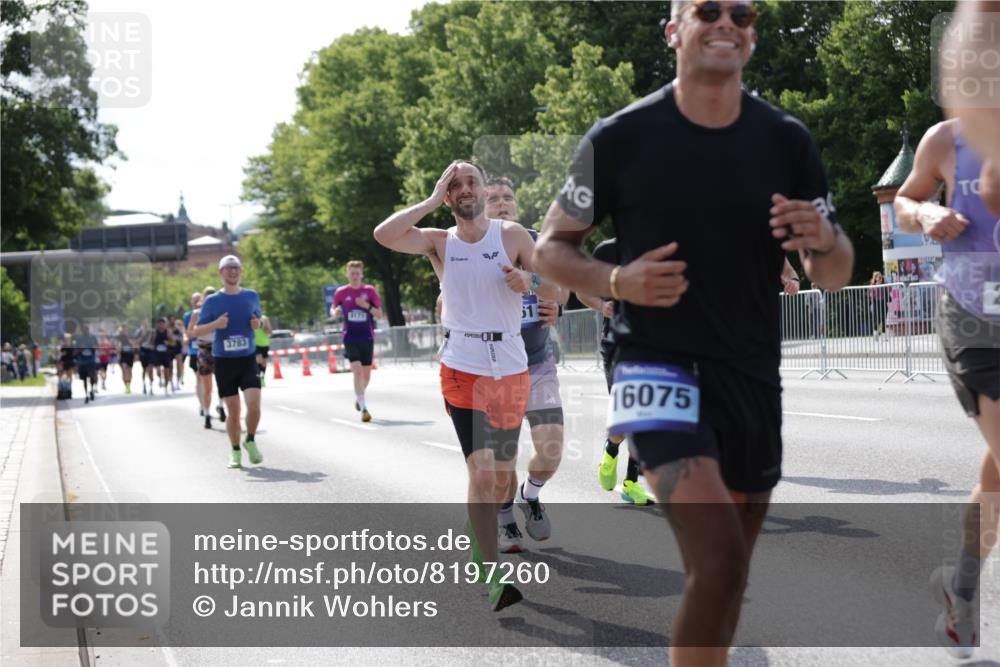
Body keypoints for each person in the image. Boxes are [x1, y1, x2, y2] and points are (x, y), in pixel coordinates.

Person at [532, 2, 854, 664]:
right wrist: (617, 280)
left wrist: (826, 240)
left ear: (752, 34)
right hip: (655, 366)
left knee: (728, 576)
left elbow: (832, 276)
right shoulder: (618, 137)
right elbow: (550, 249)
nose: (727, 21)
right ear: (674, 30)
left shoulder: (786, 140)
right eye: (707, 9)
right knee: (719, 559)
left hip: (750, 373)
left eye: (742, 12)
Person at [374, 160, 557, 610]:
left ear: (483, 187)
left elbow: (554, 284)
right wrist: (430, 199)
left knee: (500, 477)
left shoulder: (513, 235)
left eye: (472, 181)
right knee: (482, 472)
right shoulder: (439, 241)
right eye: (455, 185)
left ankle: (480, 530)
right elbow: (385, 234)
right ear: (449, 195)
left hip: (511, 367)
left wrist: (530, 279)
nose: (465, 188)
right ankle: (493, 577)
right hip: (462, 367)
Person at [894, 117, 1000, 661]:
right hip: (975, 320)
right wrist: (926, 213)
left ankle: (960, 590)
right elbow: (904, 201)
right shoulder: (947, 139)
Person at [576, 238, 654, 505]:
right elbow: (581, 291)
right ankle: (611, 448)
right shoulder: (608, 250)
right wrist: (602, 306)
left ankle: (631, 483)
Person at [190, 256, 264, 469]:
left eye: (236, 268)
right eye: (228, 268)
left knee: (254, 404)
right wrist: (216, 324)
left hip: (247, 358)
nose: (232, 272)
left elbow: (258, 320)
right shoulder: (212, 301)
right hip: (224, 361)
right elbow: (196, 331)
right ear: (220, 273)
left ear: (241, 271)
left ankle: (250, 439)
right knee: (233, 411)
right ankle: (235, 450)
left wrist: (257, 324)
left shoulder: (251, 296)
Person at [331, 261, 384, 421]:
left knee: (366, 377)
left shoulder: (369, 291)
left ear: (362, 274)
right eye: (352, 273)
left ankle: (359, 397)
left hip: (367, 337)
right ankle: (364, 409)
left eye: (357, 273)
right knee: (357, 371)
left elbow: (380, 314)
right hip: (350, 337)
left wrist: (366, 306)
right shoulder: (341, 292)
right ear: (347, 274)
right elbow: (333, 309)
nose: (354, 276)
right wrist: (335, 311)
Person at [187, 286, 219, 429]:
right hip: (204, 350)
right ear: (204, 298)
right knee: (207, 386)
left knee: (223, 382)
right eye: (208, 296)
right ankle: (206, 413)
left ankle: (221, 405)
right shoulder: (197, 313)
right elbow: (189, 333)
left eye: (214, 295)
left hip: (220, 350)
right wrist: (201, 329)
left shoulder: (221, 311)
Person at [182, 292, 202, 396]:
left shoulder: (207, 313)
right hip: (194, 351)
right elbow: (186, 331)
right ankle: (202, 402)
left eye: (199, 299)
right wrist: (186, 337)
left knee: (206, 378)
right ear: (191, 302)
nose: (197, 302)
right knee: (199, 377)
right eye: (195, 300)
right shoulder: (187, 315)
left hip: (207, 349)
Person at [75, 324, 99, 403]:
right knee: (84, 379)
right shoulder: (78, 339)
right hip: (82, 361)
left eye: (87, 329)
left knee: (92, 376)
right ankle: (86, 395)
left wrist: (94, 348)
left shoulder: (93, 337)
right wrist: (80, 349)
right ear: (82, 331)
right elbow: (75, 350)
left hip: (91, 360)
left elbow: (97, 346)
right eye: (84, 330)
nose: (86, 331)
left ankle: (91, 390)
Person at [115, 324, 136, 394]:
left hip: (130, 355)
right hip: (122, 355)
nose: (124, 330)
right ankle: (126, 386)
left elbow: (134, 346)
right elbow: (117, 347)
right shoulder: (119, 337)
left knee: (129, 371)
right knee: (124, 370)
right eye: (123, 328)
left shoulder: (130, 336)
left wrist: (131, 343)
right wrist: (118, 348)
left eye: (125, 328)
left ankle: (129, 385)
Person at [254, 313, 272, 386]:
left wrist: (264, 325)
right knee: (259, 360)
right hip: (255, 343)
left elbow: (269, 332)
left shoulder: (264, 318)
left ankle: (262, 378)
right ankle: (257, 378)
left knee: (264, 363)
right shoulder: (251, 317)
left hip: (265, 343)